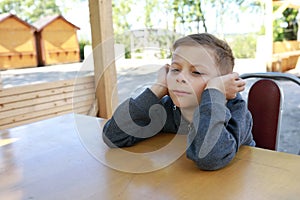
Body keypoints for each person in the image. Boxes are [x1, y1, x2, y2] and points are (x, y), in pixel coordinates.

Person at [102, 33, 255, 170]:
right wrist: (158, 87)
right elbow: (113, 136)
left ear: (224, 82)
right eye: (175, 69)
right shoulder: (168, 108)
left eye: (196, 72)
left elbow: (209, 158)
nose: (180, 78)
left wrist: (213, 92)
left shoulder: (236, 110)